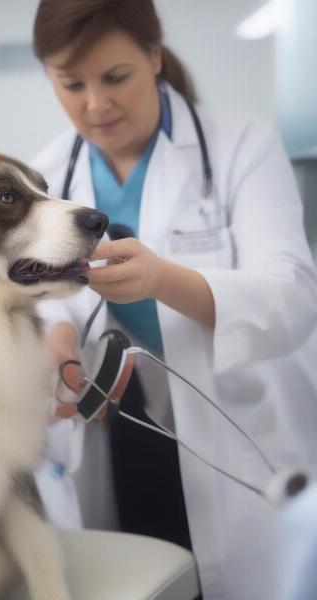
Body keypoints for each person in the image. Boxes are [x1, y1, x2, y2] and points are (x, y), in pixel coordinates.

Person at [29, 1, 317, 599]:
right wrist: (57, 340)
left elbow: (292, 297)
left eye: (116, 77)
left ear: (154, 56)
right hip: (122, 433)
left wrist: (164, 280)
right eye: (70, 84)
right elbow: (44, 295)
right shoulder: (49, 172)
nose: (95, 105)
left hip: (242, 433)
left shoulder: (243, 147)